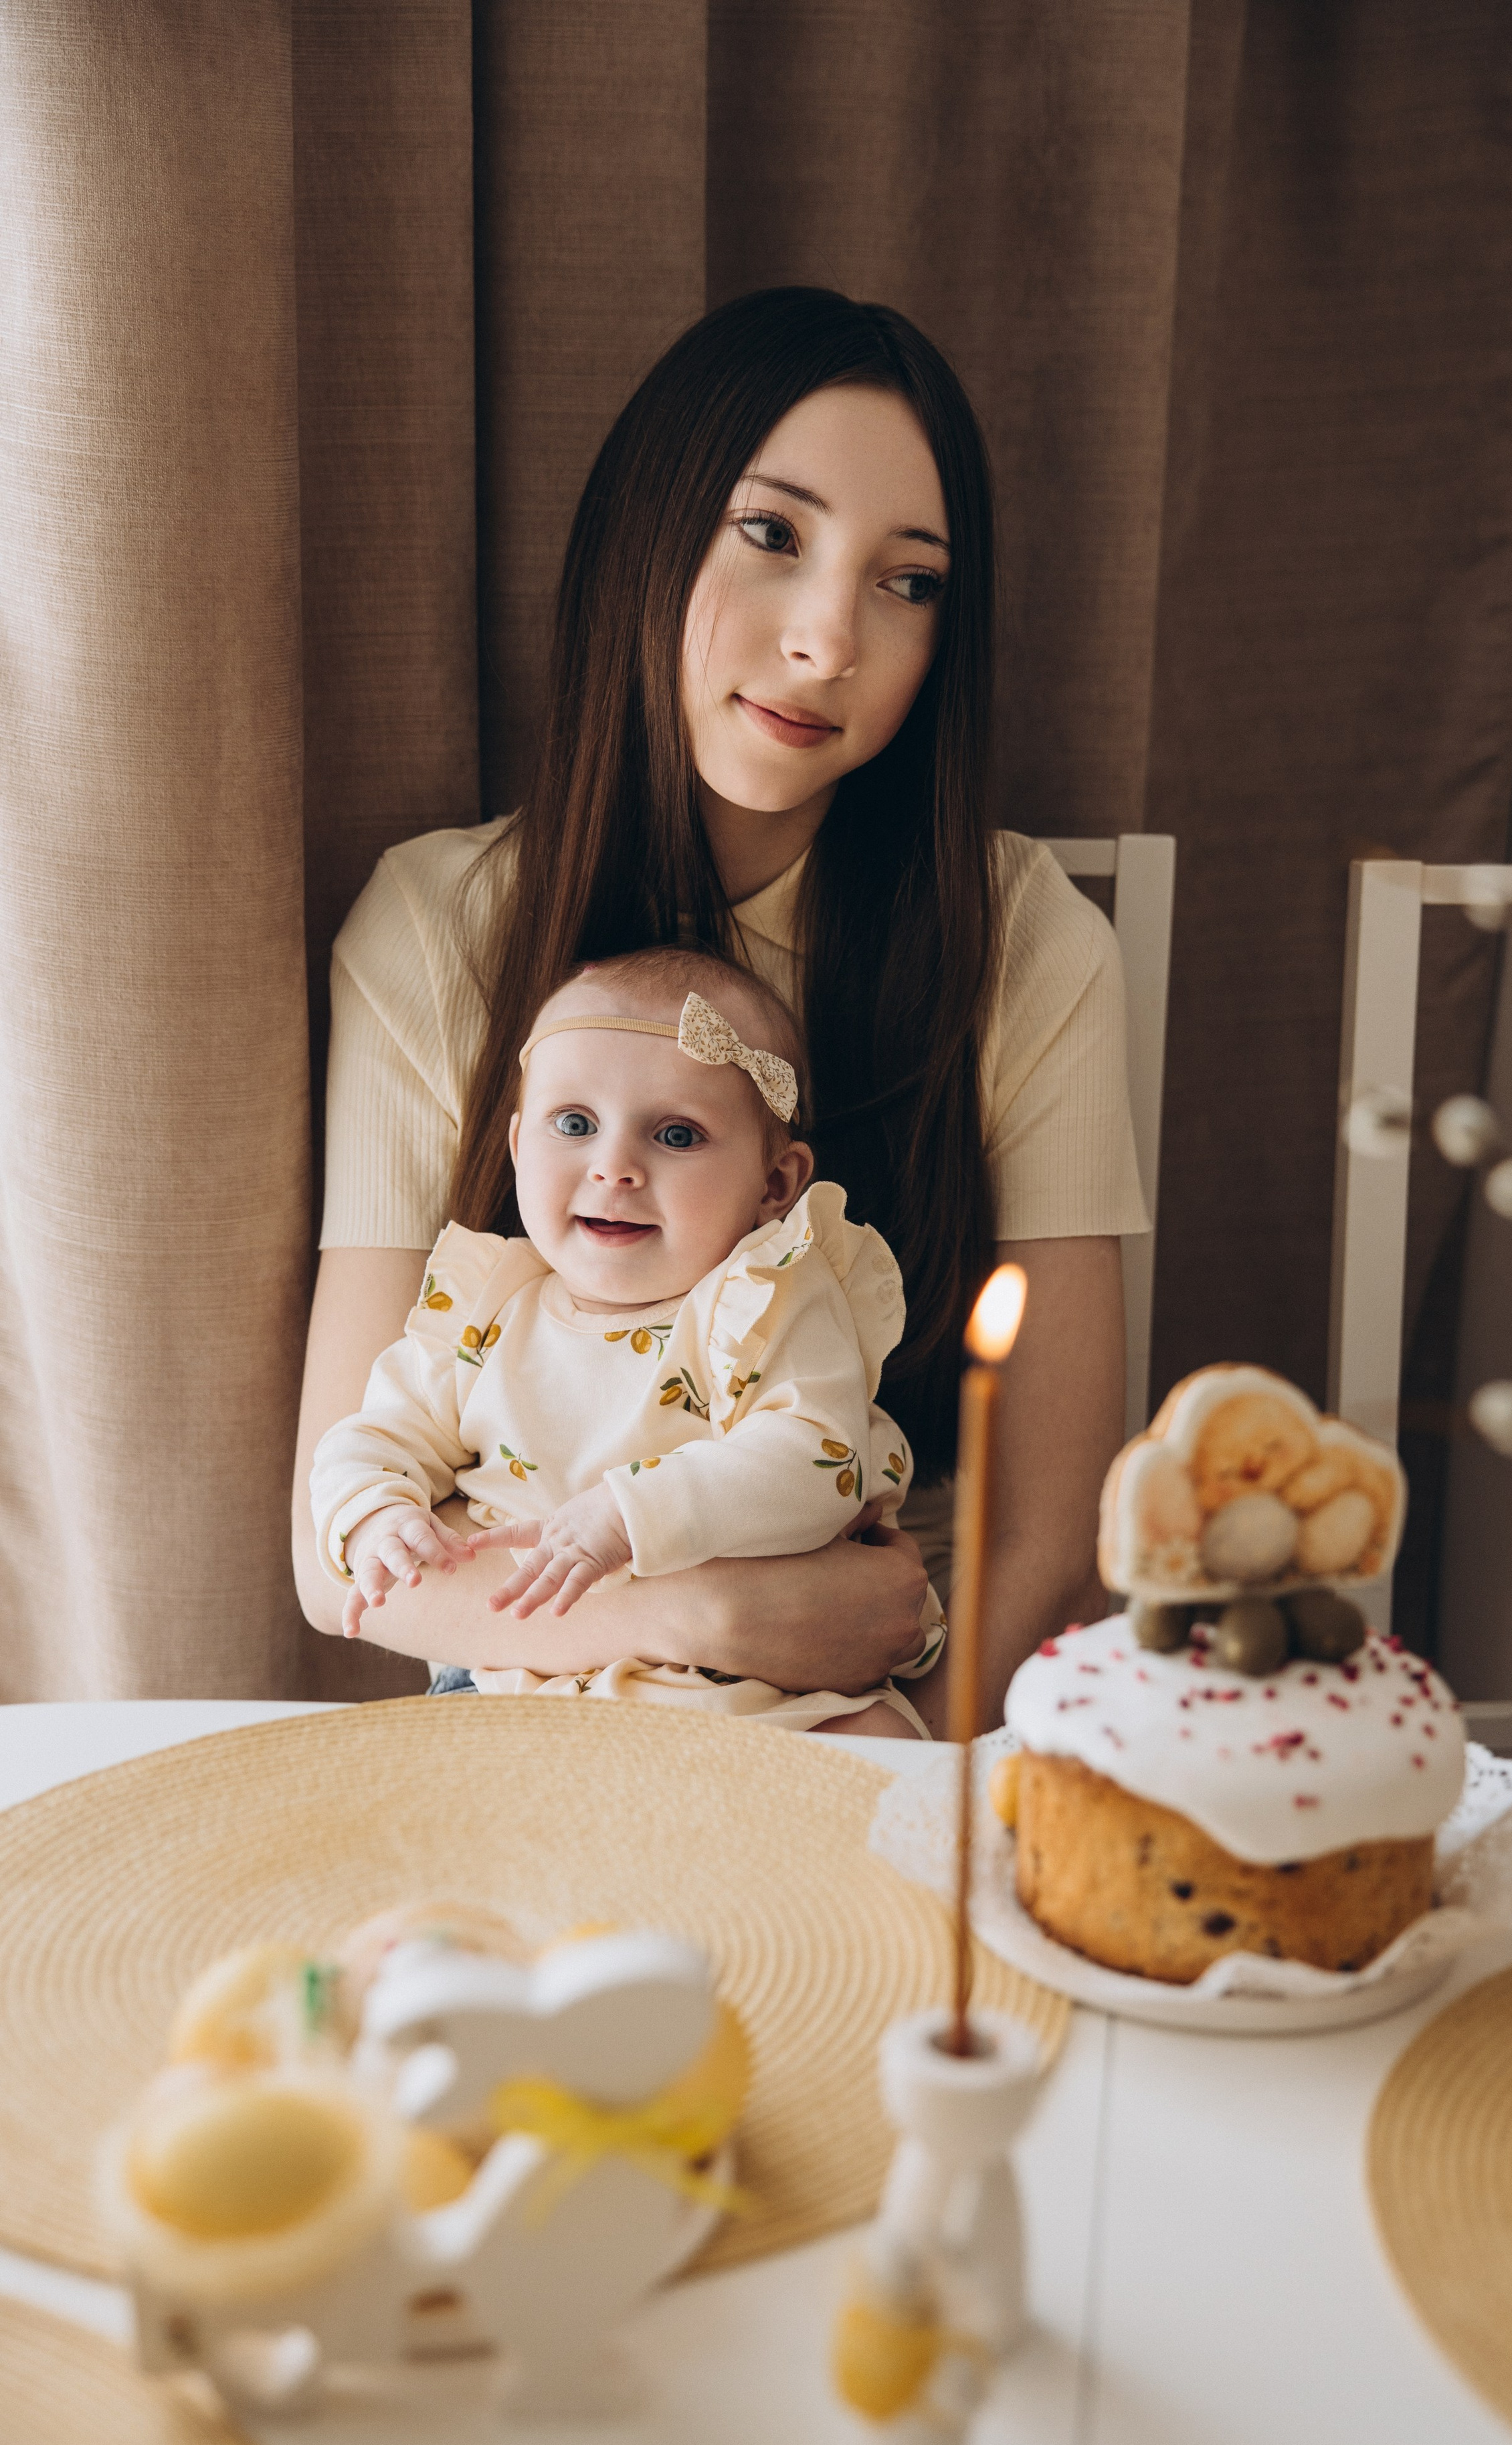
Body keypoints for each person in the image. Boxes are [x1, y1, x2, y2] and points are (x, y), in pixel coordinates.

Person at [293, 285, 1147, 1736]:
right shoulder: (437, 927)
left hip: (897, 1690)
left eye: (910, 580)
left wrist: (896, 1756)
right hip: (526, 1678)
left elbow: (1046, 1529)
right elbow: (342, 1567)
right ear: (649, 532)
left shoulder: (1020, 941)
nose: (827, 639)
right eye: (771, 534)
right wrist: (708, 1612)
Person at [310, 949, 941, 1730]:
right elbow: (366, 1439)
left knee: (887, 1755)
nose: (614, 1166)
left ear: (775, 1184)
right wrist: (377, 1514)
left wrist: (627, 1513)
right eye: (574, 1125)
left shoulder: (761, 1302)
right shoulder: (485, 1316)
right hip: (520, 1683)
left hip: (758, 1694)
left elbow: (816, 1459)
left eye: (677, 1135)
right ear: (516, 1148)